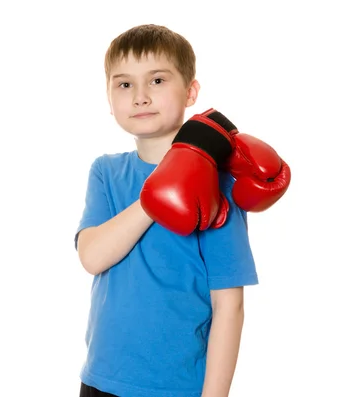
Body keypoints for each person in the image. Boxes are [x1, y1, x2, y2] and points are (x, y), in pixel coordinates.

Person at [75, 24, 289, 397]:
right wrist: (159, 194)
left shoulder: (219, 183)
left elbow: (229, 305)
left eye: (157, 80)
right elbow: (92, 257)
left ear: (190, 92)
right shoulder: (106, 172)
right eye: (124, 85)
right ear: (109, 100)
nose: (140, 96)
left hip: (177, 388)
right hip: (101, 380)